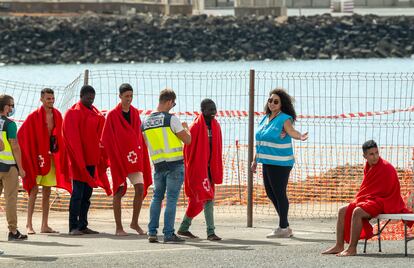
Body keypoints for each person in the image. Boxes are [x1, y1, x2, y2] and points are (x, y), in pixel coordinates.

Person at [322, 140, 412, 257]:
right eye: (371, 154)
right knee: (342, 210)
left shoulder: (386, 167)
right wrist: (364, 199)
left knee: (358, 212)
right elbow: (368, 188)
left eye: (376, 153)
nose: (375, 157)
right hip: (372, 199)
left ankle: (352, 248)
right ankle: (339, 245)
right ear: (365, 156)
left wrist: (369, 199)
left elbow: (390, 192)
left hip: (386, 201)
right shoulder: (368, 166)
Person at [251, 88, 308, 239]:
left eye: (276, 101)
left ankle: (283, 227)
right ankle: (285, 225)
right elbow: (261, 141)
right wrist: (255, 160)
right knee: (271, 193)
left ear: (282, 104)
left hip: (281, 163)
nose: (272, 103)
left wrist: (300, 136)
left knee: (279, 193)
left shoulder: (285, 118)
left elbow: (291, 131)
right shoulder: (266, 118)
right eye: (270, 100)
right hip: (267, 161)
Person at [18, 88, 71, 235]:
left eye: (52, 98)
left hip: (51, 157)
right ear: (41, 99)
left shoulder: (57, 115)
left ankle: (44, 225)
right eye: (48, 99)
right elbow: (21, 136)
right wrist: (28, 156)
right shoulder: (33, 116)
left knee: (47, 191)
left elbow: (62, 135)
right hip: (36, 158)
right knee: (33, 190)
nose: (51, 101)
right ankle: (29, 224)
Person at [101, 83, 152, 236]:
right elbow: (106, 138)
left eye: (131, 96)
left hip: (134, 158)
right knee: (119, 190)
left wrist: (143, 154)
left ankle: (134, 222)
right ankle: (118, 227)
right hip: (118, 159)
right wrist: (113, 157)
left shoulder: (135, 113)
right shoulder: (111, 115)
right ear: (120, 96)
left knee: (140, 188)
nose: (129, 99)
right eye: (126, 96)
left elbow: (138, 135)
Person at [142, 88, 191, 243]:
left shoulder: (146, 122)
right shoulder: (171, 119)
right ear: (169, 101)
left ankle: (152, 232)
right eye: (173, 103)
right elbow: (187, 140)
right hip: (174, 164)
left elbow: (147, 143)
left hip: (158, 165)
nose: (173, 106)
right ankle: (169, 233)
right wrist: (186, 128)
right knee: (171, 199)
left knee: (157, 197)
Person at [62, 85, 112, 235]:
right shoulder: (73, 113)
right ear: (81, 96)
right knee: (77, 194)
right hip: (78, 161)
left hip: (91, 160)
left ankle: (83, 225)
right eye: (88, 98)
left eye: (92, 98)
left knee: (87, 195)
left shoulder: (95, 114)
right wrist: (79, 161)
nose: (91, 101)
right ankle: (73, 226)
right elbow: (72, 139)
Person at [177, 99, 223, 241]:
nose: (213, 112)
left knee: (200, 200)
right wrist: (194, 168)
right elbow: (188, 150)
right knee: (206, 198)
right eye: (210, 110)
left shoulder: (216, 125)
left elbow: (218, 148)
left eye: (214, 109)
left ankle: (184, 228)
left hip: (210, 170)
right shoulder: (195, 127)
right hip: (198, 169)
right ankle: (210, 232)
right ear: (203, 110)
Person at [0, 94, 28, 241]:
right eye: (10, 105)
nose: (12, 108)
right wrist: (21, 168)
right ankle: (13, 231)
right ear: (4, 107)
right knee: (11, 199)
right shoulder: (10, 124)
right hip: (8, 167)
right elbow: (15, 146)